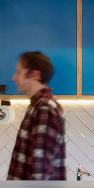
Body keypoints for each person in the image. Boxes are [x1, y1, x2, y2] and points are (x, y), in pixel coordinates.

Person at [7, 51, 66, 180]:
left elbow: (41, 164)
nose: (14, 77)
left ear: (35, 75)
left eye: (18, 72)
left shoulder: (44, 107)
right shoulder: (38, 105)